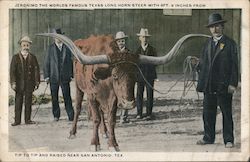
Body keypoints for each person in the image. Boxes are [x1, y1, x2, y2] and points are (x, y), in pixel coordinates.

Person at [196, 13, 238, 148]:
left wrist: (232, 83)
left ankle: (229, 140)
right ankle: (208, 137)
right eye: (212, 27)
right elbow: (204, 63)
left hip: (224, 86)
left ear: (222, 26)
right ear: (210, 29)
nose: (215, 29)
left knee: (226, 113)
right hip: (209, 85)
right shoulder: (207, 44)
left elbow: (234, 66)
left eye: (217, 26)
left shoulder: (230, 44)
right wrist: (197, 64)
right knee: (208, 113)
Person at [44, 28, 74, 121]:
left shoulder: (67, 48)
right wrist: (46, 76)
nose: (58, 38)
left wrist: (71, 74)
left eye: (59, 36)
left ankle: (71, 115)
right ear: (54, 38)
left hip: (65, 77)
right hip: (53, 77)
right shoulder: (50, 48)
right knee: (54, 98)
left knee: (67, 97)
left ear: (62, 37)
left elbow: (70, 62)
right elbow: (46, 63)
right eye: (56, 37)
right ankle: (56, 116)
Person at [10, 36, 40, 126]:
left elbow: (36, 70)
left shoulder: (33, 57)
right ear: (21, 46)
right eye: (24, 45)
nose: (25, 47)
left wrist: (37, 82)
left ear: (29, 46)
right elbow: (12, 72)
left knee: (28, 102)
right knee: (18, 102)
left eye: (27, 45)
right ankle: (17, 121)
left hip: (29, 84)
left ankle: (28, 120)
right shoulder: (15, 57)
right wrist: (13, 83)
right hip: (19, 84)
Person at [135, 28, 157, 120]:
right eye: (143, 37)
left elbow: (155, 63)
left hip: (149, 76)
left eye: (146, 37)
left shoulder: (152, 50)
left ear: (148, 39)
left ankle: (149, 114)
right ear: (140, 38)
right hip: (140, 76)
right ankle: (139, 113)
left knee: (149, 94)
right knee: (139, 94)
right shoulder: (137, 51)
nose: (145, 39)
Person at [114, 31, 131, 124]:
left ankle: (123, 117)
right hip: (116, 79)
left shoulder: (129, 52)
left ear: (125, 42)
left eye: (123, 41)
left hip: (125, 79)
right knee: (116, 97)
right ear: (116, 42)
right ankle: (115, 116)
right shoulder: (113, 53)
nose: (121, 43)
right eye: (119, 41)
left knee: (126, 96)